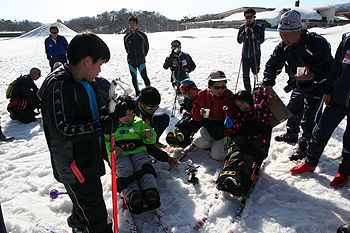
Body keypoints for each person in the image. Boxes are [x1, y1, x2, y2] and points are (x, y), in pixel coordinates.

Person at [39, 32, 127, 233]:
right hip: (75, 167)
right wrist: (102, 126)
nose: (100, 70)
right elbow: (62, 128)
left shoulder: (87, 81)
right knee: (96, 219)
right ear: (87, 61)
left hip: (89, 160)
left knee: (85, 209)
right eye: (100, 64)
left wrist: (111, 113)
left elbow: (92, 114)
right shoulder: (59, 86)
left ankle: (79, 226)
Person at [262, 9, 333, 161]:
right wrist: (268, 83)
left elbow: (329, 68)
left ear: (298, 31)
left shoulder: (316, 43)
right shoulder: (284, 46)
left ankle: (305, 146)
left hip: (317, 87)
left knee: (309, 119)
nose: (283, 39)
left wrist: (312, 75)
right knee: (292, 111)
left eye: (286, 35)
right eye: (281, 35)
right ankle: (291, 134)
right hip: (298, 85)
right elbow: (273, 64)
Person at [290, 32, 350, 189]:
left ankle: (344, 171)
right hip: (338, 97)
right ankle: (310, 162)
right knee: (320, 130)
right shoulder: (347, 40)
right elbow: (335, 67)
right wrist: (328, 91)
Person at [105, 95, 178, 214]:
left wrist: (150, 135)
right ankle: (133, 194)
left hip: (138, 150)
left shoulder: (138, 122)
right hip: (121, 154)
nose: (127, 118)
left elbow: (149, 141)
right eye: (124, 114)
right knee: (125, 169)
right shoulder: (112, 125)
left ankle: (150, 190)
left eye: (130, 114)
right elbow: (106, 141)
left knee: (143, 166)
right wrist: (112, 148)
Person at [216, 88, 272, 196]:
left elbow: (264, 113)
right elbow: (236, 128)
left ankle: (239, 178)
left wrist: (259, 95)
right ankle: (229, 174)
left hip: (257, 141)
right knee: (235, 155)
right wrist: (231, 125)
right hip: (241, 140)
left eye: (243, 103)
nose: (243, 107)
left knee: (247, 158)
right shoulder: (239, 115)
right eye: (239, 105)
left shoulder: (258, 111)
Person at [191, 70, 235, 160]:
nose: (220, 90)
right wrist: (199, 112)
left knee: (217, 156)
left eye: (223, 87)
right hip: (209, 128)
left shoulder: (229, 96)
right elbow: (195, 113)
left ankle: (218, 145)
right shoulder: (202, 94)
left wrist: (228, 136)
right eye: (217, 87)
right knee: (198, 142)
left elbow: (231, 118)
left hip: (223, 132)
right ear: (209, 86)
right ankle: (214, 144)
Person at [166, 78, 201, 147]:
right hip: (190, 117)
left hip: (200, 120)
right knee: (181, 123)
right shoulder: (188, 98)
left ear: (195, 89)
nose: (188, 95)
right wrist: (183, 111)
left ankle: (184, 140)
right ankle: (176, 135)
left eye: (189, 93)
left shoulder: (202, 96)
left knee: (188, 124)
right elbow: (183, 106)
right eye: (186, 94)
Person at [237, 8, 265, 92]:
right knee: (245, 75)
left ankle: (255, 91)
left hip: (255, 55)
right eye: (246, 17)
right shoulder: (242, 27)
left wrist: (255, 33)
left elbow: (261, 40)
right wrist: (243, 33)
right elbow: (239, 40)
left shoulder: (259, 26)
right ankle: (248, 92)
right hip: (245, 55)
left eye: (250, 17)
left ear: (254, 17)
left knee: (255, 74)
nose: (248, 19)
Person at [124, 16, 150, 96]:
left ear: (137, 25)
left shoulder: (142, 36)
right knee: (134, 78)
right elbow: (126, 48)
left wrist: (142, 55)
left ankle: (149, 92)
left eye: (134, 24)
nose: (132, 26)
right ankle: (137, 92)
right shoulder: (126, 37)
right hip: (131, 61)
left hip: (141, 60)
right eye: (130, 24)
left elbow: (146, 47)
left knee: (144, 76)